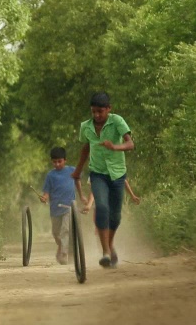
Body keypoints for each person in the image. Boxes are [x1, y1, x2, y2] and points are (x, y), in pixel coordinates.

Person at [72, 91, 134, 268]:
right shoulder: (86, 126)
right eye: (93, 112)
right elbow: (85, 148)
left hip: (117, 174)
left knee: (115, 216)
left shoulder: (117, 121)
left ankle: (109, 244)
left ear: (108, 109)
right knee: (102, 208)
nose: (97, 115)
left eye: (100, 111)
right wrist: (78, 170)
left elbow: (130, 144)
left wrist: (115, 146)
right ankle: (106, 251)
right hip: (97, 173)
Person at [38, 147, 83, 265]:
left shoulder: (72, 171)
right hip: (55, 210)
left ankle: (64, 253)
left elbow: (78, 181)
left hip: (69, 207)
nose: (57, 164)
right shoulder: (50, 176)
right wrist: (44, 198)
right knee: (56, 233)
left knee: (65, 230)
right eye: (54, 162)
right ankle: (61, 247)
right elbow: (46, 192)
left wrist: (82, 196)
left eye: (59, 161)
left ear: (65, 160)